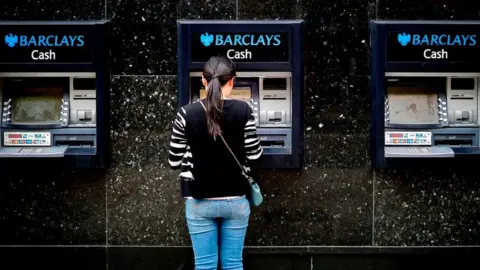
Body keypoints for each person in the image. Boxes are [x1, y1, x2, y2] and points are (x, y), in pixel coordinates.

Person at [168, 56, 263, 270]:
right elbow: (255, 155)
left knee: (205, 265)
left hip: (199, 200)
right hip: (236, 199)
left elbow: (173, 160)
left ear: (203, 80)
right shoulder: (244, 110)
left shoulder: (186, 113)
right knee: (233, 264)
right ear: (232, 81)